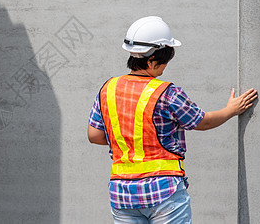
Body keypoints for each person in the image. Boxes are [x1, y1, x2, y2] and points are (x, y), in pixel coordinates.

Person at [87, 16, 257, 224]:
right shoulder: (166, 93)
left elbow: (94, 135)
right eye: (165, 60)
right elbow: (202, 122)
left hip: (122, 195)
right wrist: (231, 110)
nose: (165, 66)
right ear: (151, 61)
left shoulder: (108, 89)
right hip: (163, 192)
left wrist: (127, 138)